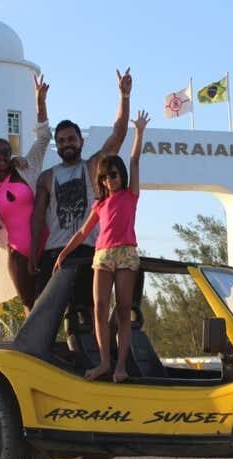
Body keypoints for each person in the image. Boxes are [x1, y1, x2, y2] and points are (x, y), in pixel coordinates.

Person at [53, 110, 150, 383]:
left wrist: (139, 132)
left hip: (126, 253)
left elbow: (134, 159)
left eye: (115, 175)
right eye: (106, 177)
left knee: (123, 309)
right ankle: (104, 362)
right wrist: (64, 252)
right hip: (102, 254)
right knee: (99, 306)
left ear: (122, 175)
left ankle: (120, 366)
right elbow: (84, 231)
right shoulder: (100, 203)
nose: (111, 180)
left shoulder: (131, 195)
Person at [29, 68, 133, 305]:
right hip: (53, 251)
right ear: (57, 145)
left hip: (87, 252)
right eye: (62, 140)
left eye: (71, 139)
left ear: (81, 141)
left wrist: (124, 97)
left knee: (85, 314)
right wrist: (34, 250)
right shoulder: (46, 177)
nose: (67, 144)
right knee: (41, 311)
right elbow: (37, 217)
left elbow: (118, 135)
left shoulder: (93, 167)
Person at [0, 74, 52, 314]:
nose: (2, 157)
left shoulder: (27, 168)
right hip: (17, 254)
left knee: (51, 304)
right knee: (30, 306)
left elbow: (44, 139)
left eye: (6, 152)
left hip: (45, 245)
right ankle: (30, 351)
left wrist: (40, 104)